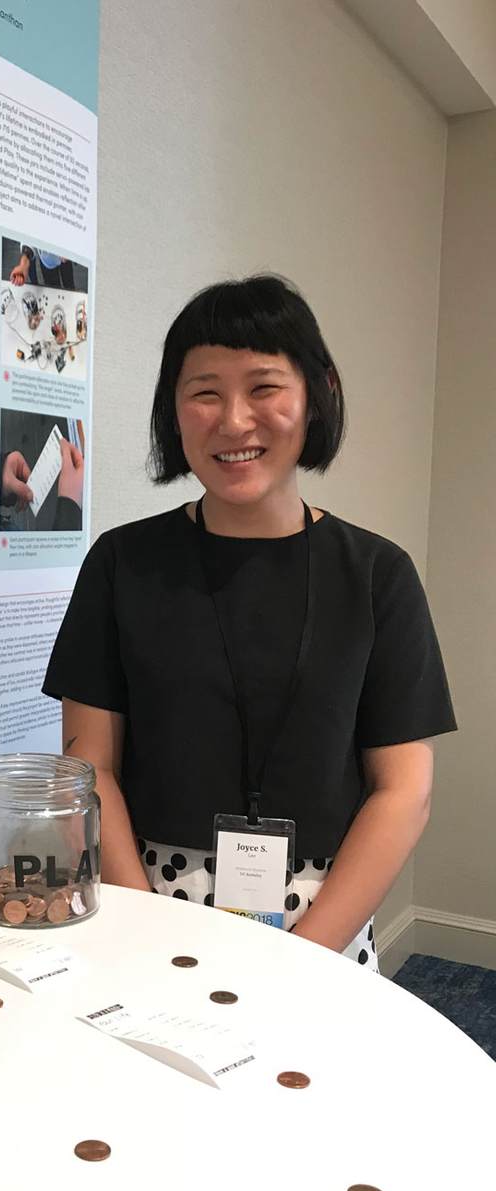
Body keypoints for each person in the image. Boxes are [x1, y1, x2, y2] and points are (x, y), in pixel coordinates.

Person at [43, 276, 456, 969]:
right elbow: (88, 768)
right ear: (173, 410)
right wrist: (145, 927)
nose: (234, 420)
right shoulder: (122, 564)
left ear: (315, 394)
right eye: (205, 391)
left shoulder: (378, 574)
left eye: (264, 387)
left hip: (326, 915)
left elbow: (404, 790)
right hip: (145, 903)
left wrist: (307, 957)